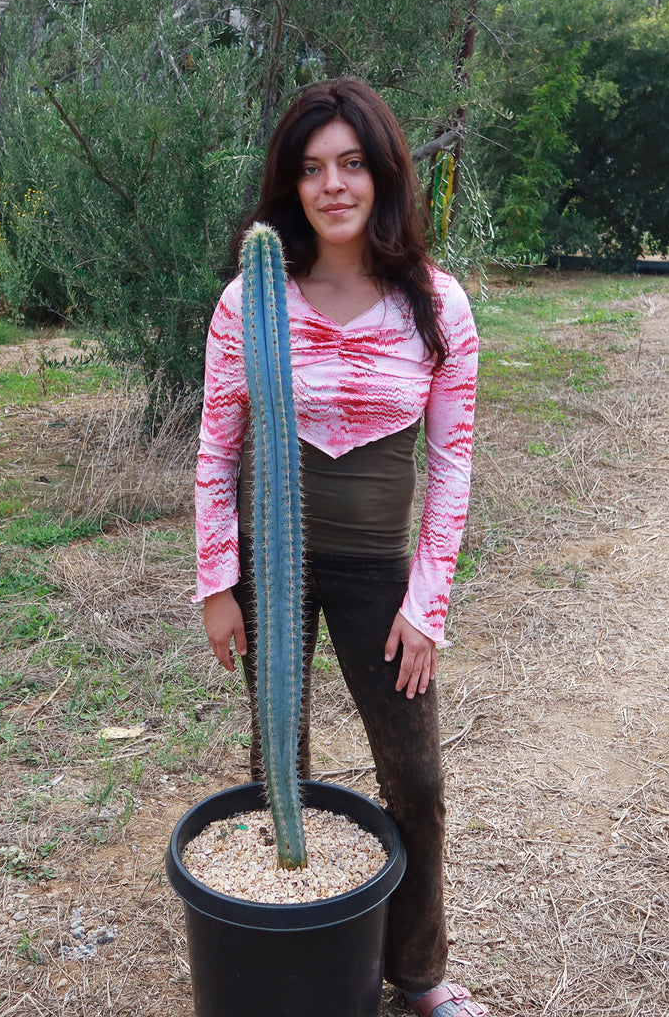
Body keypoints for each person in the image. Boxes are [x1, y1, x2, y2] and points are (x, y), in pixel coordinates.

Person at [193, 78, 484, 1017]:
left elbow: (452, 466)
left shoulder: (437, 306)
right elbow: (217, 445)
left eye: (352, 163)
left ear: (383, 173)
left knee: (418, 776)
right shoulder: (253, 296)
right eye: (313, 168)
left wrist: (426, 603)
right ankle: (286, 950)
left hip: (376, 570)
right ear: (292, 184)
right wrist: (217, 582)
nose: (334, 184)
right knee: (281, 757)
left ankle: (419, 977)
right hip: (270, 564)